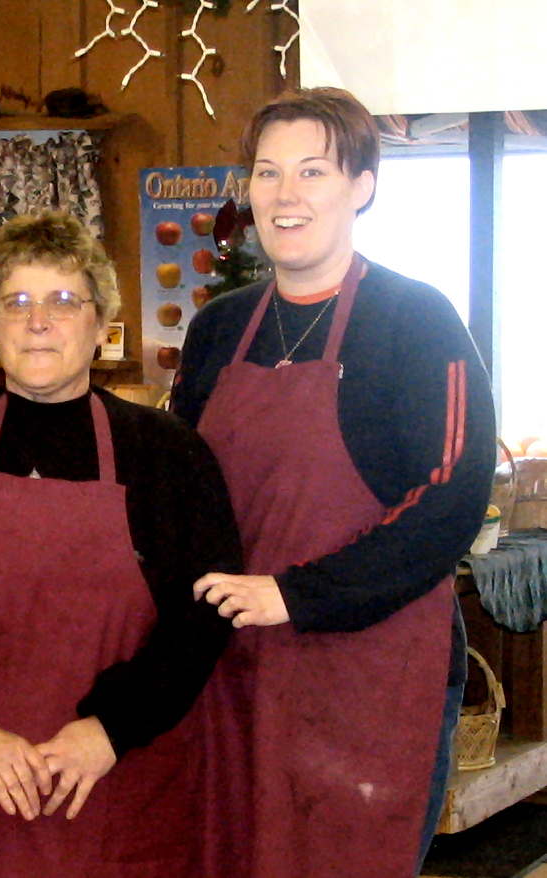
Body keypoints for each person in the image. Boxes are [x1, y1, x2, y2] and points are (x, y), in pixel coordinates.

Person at [0, 211, 241, 878]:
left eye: (62, 300)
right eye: (16, 301)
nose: (38, 321)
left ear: (100, 322)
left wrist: (110, 729)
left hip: (116, 793)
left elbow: (202, 618)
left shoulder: (171, 456)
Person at [171, 87, 497, 877]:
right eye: (268, 172)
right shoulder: (219, 328)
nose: (286, 194)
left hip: (372, 673)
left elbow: (452, 495)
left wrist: (296, 595)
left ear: (362, 186)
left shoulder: (415, 320)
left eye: (313, 171)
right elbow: (177, 484)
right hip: (234, 667)